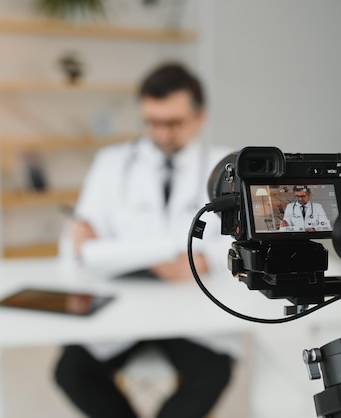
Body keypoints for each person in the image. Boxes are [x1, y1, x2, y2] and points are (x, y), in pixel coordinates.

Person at [54, 63, 237, 418]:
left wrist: (204, 261)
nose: (162, 134)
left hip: (191, 309)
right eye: (152, 122)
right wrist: (78, 240)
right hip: (122, 305)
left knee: (214, 372)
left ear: (200, 117)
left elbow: (248, 244)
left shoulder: (227, 166)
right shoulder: (111, 164)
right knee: (71, 372)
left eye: (173, 123)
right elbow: (72, 251)